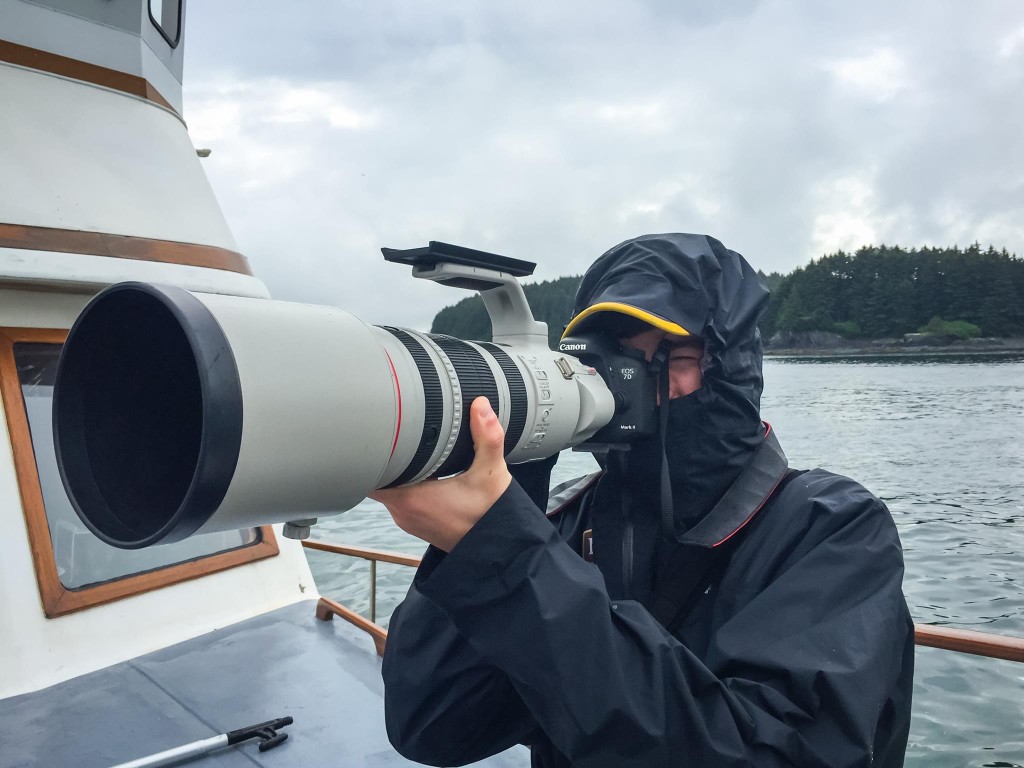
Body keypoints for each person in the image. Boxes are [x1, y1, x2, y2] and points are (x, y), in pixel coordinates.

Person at [371, 233, 914, 768]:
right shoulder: (557, 525)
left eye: (671, 357)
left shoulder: (831, 527)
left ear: (732, 367)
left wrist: (514, 560)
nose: (633, 381)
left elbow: (773, 752)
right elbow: (432, 726)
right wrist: (500, 514)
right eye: (619, 357)